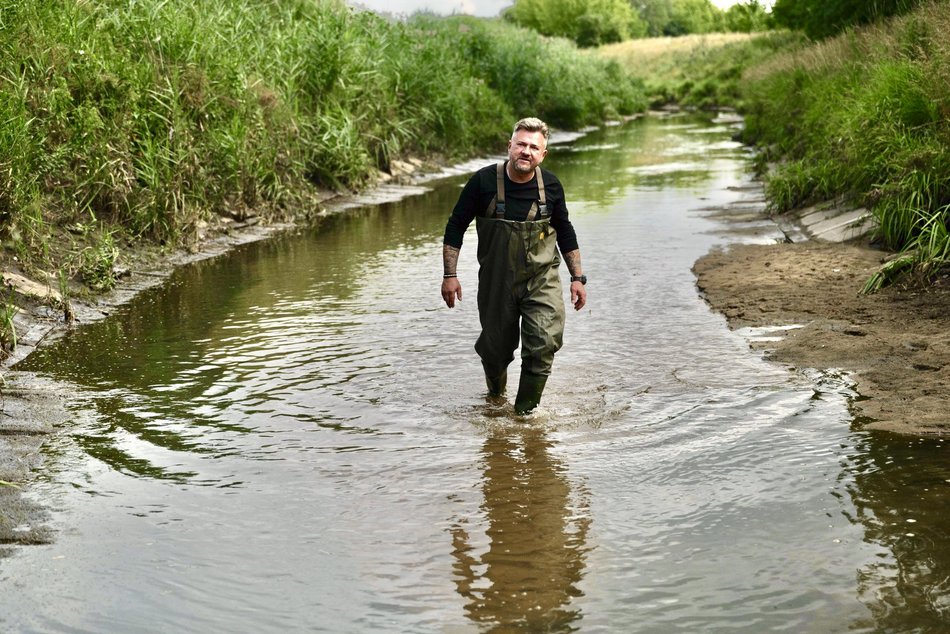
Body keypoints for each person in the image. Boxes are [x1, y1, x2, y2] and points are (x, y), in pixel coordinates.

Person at [441, 117, 587, 414]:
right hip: (498, 281)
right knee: (495, 351)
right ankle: (495, 397)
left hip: (541, 279)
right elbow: (456, 226)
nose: (526, 151)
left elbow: (565, 230)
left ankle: (524, 416)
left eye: (534, 147)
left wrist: (578, 278)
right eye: (521, 144)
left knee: (544, 343)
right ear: (510, 146)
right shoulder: (483, 182)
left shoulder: (552, 186)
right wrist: (450, 275)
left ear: (543, 154)